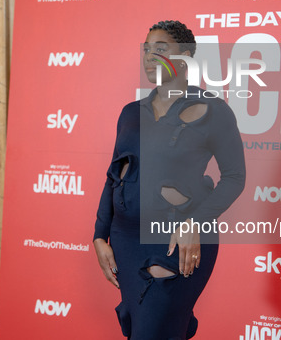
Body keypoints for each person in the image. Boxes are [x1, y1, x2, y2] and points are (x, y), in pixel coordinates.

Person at [94, 20, 246, 339]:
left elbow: (235, 177)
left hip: (175, 236)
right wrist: (99, 236)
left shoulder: (214, 111)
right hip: (125, 239)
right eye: (147, 50)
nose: (150, 56)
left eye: (161, 49)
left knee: (154, 328)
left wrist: (196, 223)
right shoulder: (130, 113)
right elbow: (113, 176)